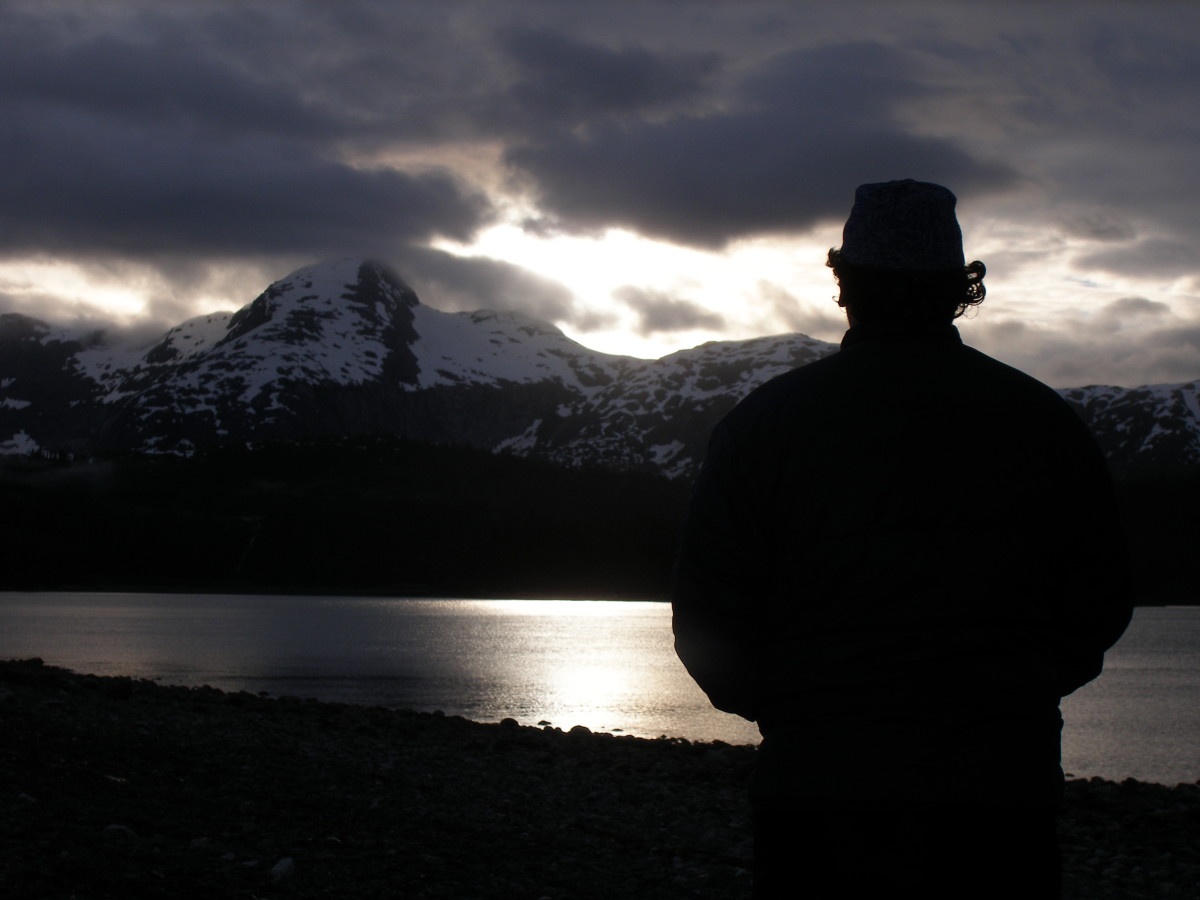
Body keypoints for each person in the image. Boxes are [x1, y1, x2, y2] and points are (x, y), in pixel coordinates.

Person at [672, 180, 1133, 899]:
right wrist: (1014, 694)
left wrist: (790, 710)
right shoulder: (1043, 423)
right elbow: (1100, 601)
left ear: (845, 283)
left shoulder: (765, 425)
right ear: (959, 289)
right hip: (999, 790)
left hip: (818, 788)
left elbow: (706, 611)